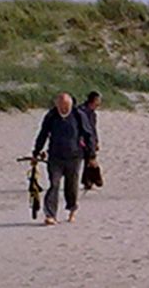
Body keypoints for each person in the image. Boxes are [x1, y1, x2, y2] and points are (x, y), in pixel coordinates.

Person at [32, 92, 95, 225]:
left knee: (71, 186)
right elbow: (43, 134)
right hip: (55, 157)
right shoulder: (51, 116)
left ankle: (72, 209)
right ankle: (50, 214)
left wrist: (91, 156)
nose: (64, 109)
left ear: (71, 104)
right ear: (56, 104)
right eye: (61, 106)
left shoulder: (78, 115)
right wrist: (36, 152)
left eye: (66, 106)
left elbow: (88, 135)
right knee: (54, 184)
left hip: (74, 156)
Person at [80, 92, 104, 191]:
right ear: (93, 100)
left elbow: (93, 129)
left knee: (89, 159)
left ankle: (88, 181)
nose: (99, 103)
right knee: (90, 158)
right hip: (82, 139)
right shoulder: (81, 111)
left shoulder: (93, 113)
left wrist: (96, 141)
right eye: (98, 100)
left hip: (90, 139)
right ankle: (93, 179)